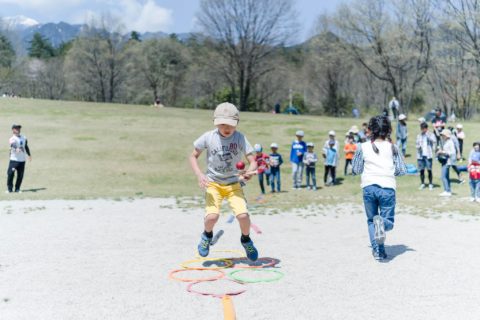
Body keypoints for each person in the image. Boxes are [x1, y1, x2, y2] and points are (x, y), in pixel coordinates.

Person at [189, 102, 259, 261]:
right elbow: (193, 156)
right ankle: (206, 236)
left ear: (237, 123)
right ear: (215, 122)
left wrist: (249, 173)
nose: (226, 128)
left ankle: (246, 240)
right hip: (213, 184)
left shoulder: (240, 138)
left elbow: (253, 161)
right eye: (222, 124)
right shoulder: (208, 137)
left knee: (243, 216)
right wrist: (199, 174)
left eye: (230, 125)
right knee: (212, 217)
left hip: (234, 184)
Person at [352, 115, 407, 261]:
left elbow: (356, 169)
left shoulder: (362, 147)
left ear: (370, 130)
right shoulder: (393, 147)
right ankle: (381, 225)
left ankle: (378, 251)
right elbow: (401, 170)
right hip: (387, 188)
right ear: (389, 130)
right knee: (386, 221)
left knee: (371, 220)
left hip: (369, 187)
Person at [7, 124, 32, 193]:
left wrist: (29, 155)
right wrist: (16, 148)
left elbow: (26, 146)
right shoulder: (12, 138)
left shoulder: (24, 137)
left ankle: (17, 188)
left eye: (19, 128)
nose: (18, 129)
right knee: (10, 174)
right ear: (13, 130)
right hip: (14, 160)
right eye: (16, 128)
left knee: (20, 175)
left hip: (22, 160)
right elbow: (13, 144)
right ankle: (9, 189)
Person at [415, 122, 436, 190]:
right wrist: (418, 146)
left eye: (423, 128)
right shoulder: (419, 135)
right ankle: (423, 183)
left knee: (429, 170)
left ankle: (430, 184)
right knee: (421, 170)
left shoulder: (431, 134)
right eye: (421, 128)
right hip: (420, 155)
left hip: (428, 155)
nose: (422, 130)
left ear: (426, 128)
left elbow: (434, 141)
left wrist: (427, 136)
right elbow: (417, 144)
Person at [436, 129, 456, 197]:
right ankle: (448, 190)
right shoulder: (446, 142)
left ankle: (446, 190)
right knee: (446, 177)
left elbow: (452, 152)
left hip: (448, 161)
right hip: (445, 161)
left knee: (443, 176)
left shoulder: (450, 142)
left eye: (443, 135)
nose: (442, 136)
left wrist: (443, 152)